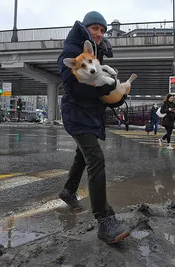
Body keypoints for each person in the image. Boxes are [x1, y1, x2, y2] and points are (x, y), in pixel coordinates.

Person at [57, 11, 130, 243]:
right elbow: (75, 89)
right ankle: (104, 219)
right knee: (95, 158)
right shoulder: (72, 51)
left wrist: (117, 97)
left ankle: (68, 191)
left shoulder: (96, 52)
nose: (99, 33)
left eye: (103, 30)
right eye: (95, 28)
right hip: (75, 114)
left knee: (83, 154)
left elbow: (100, 87)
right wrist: (104, 90)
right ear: (86, 28)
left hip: (89, 115)